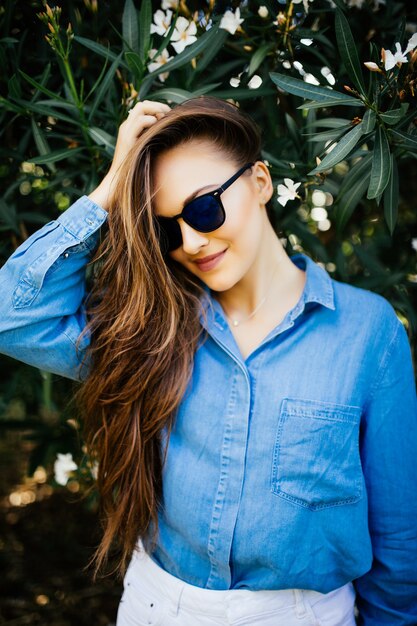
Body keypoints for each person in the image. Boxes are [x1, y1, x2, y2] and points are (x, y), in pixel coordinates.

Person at [0, 96, 416, 626]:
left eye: (203, 208)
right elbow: (13, 317)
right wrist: (110, 188)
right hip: (160, 606)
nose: (192, 241)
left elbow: (398, 536)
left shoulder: (367, 333)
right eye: (168, 229)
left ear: (261, 182)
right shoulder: (151, 329)